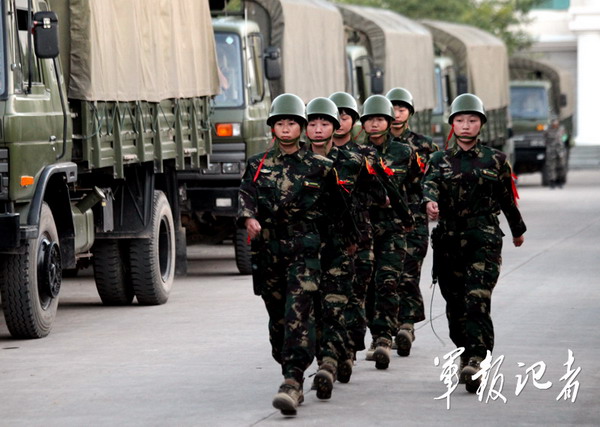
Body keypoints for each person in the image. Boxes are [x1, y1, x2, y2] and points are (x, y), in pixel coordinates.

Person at [237, 93, 335, 416]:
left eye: (292, 123)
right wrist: (249, 218)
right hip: (269, 253)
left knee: (298, 313)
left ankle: (292, 381)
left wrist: (344, 247)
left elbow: (338, 211)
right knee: (278, 319)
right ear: (272, 128)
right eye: (280, 123)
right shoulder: (258, 165)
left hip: (304, 252)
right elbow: (246, 196)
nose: (286, 128)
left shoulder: (320, 167)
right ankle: (291, 369)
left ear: (301, 127)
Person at [422, 93, 526, 393]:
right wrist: (429, 203)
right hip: (449, 241)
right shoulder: (438, 160)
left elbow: (507, 197)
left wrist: (517, 230)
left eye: (472, 120)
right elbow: (429, 185)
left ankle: (478, 359)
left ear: (481, 124)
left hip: (484, 238)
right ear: (452, 124)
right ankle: (466, 353)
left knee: (476, 300)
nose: (466, 125)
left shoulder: (496, 160)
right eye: (460, 120)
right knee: (455, 306)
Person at [304, 96, 362, 398]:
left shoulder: (352, 161)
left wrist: (357, 238)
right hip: (305, 249)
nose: (318, 129)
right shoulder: (297, 163)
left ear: (334, 127)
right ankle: (329, 356)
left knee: (335, 306)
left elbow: (371, 199)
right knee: (311, 310)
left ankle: (329, 363)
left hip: (340, 246)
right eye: (312, 123)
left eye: (324, 123)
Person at [328, 92, 386, 373]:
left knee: (356, 293)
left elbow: (381, 193)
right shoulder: (314, 156)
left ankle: (349, 348)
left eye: (345, 116)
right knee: (332, 297)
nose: (340, 122)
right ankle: (335, 350)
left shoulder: (366, 155)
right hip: (328, 237)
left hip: (360, 233)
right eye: (335, 117)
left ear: (354, 121)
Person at [360, 94, 414, 370]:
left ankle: (384, 337)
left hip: (392, 227)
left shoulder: (403, 151)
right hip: (364, 227)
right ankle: (375, 334)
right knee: (368, 285)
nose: (374, 124)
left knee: (388, 281)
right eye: (369, 119)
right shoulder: (356, 152)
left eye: (380, 119)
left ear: (389, 121)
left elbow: (397, 182)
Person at [386, 87, 439, 357]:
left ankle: (406, 325)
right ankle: (385, 329)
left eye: (402, 109)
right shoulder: (373, 145)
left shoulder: (425, 145)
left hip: (414, 218)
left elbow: (437, 177)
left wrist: (433, 201)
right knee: (385, 277)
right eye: (393, 109)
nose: (397, 114)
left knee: (408, 273)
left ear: (410, 113)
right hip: (383, 221)